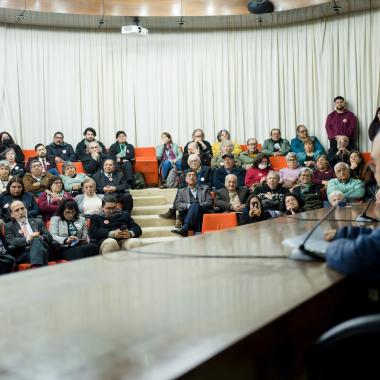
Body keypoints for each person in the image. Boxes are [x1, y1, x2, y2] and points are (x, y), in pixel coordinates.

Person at [324, 133, 380, 279]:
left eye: (375, 163)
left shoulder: (358, 182)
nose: (373, 170)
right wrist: (344, 233)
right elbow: (376, 238)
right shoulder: (332, 183)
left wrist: (333, 246)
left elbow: (352, 257)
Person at [5, 200, 54, 267]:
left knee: (36, 240)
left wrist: (39, 238)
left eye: (22, 208)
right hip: (24, 253)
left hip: (42, 246)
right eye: (17, 210)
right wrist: (28, 239)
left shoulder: (38, 221)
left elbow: (48, 236)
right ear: (12, 214)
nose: (21, 212)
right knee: (42, 251)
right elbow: (11, 240)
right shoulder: (9, 226)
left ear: (26, 209)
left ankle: (36, 267)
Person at [171, 170, 213, 237]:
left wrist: (197, 206)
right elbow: (177, 204)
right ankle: (198, 234)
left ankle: (186, 227)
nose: (191, 177)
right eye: (189, 175)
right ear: (186, 179)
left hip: (204, 212)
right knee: (196, 212)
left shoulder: (205, 188)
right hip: (189, 215)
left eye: (193, 175)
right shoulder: (182, 191)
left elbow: (209, 202)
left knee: (195, 205)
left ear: (197, 178)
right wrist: (189, 206)